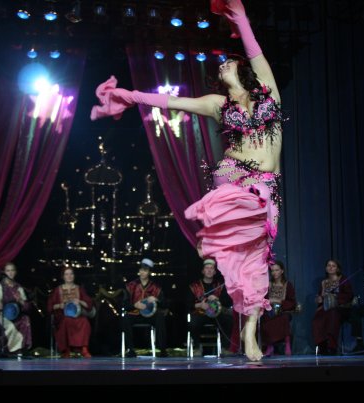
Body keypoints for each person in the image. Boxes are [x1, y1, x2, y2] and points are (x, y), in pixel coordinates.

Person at [91, 0, 284, 362]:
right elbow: (170, 102)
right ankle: (215, 238)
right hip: (234, 179)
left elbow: (254, 51)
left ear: (243, 71)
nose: (222, 64)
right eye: (221, 65)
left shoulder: (268, 92)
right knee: (238, 249)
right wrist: (130, 96)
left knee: (257, 260)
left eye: (229, 62)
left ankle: (248, 330)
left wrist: (240, 17)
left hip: (265, 185)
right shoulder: (217, 104)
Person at [122, 258, 168, 358]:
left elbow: (165, 304)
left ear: (149, 272)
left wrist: (156, 299)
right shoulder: (130, 286)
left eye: (145, 270)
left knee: (160, 317)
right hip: (136, 314)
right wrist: (134, 305)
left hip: (151, 315)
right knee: (126, 318)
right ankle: (130, 350)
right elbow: (125, 305)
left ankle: (163, 350)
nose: (142, 272)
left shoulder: (156, 287)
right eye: (141, 270)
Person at [187, 258, 233, 356]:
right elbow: (188, 304)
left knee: (228, 319)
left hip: (217, 314)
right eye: (207, 268)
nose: (209, 270)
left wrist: (218, 299)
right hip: (201, 313)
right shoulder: (194, 286)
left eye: (211, 268)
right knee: (193, 323)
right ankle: (197, 347)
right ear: (203, 271)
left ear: (215, 271)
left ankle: (225, 348)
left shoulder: (220, 285)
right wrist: (200, 305)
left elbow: (228, 302)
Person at [0, 262, 32, 356]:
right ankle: (10, 350)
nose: (10, 273)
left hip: (15, 314)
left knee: (26, 320)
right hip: (0, 314)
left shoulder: (18, 288)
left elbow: (27, 307)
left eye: (12, 270)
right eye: (8, 271)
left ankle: (21, 348)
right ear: (4, 272)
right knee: (10, 326)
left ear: (15, 272)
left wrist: (21, 301)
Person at [47, 267, 93, 358]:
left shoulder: (79, 289)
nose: (69, 276)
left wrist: (79, 301)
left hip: (77, 315)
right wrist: (60, 305)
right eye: (67, 274)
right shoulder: (58, 290)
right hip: (62, 316)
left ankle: (83, 348)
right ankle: (66, 350)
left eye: (71, 274)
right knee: (66, 320)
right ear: (63, 276)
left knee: (84, 321)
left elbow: (89, 304)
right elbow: (50, 307)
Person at [311, 259, 354, 355]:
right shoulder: (323, 282)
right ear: (326, 268)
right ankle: (322, 345)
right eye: (328, 265)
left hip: (340, 308)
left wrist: (335, 297)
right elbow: (320, 296)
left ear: (337, 269)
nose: (330, 267)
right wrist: (319, 299)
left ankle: (332, 346)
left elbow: (349, 295)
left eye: (333, 266)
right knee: (317, 319)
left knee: (332, 315)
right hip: (326, 308)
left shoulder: (343, 280)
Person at [260, 260, 296, 356]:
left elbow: (292, 302)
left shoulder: (287, 285)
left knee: (284, 318)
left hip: (283, 311)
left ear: (282, 271)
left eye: (277, 270)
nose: (274, 273)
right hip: (270, 311)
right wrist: (268, 302)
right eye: (272, 271)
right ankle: (270, 345)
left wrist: (279, 302)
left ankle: (287, 344)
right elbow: (263, 299)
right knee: (264, 318)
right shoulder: (268, 285)